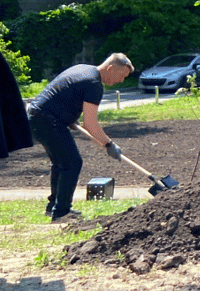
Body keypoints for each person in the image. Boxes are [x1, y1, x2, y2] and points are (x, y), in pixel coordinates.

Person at [25, 53, 134, 222]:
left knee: (62, 163)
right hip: (47, 121)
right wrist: (108, 144)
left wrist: (68, 116)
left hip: (37, 116)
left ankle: (55, 207)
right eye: (121, 75)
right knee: (72, 163)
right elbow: (90, 124)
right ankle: (61, 212)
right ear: (111, 68)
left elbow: (64, 95)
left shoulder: (84, 69)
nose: (121, 81)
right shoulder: (93, 84)